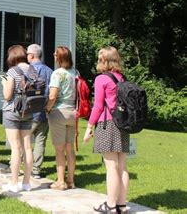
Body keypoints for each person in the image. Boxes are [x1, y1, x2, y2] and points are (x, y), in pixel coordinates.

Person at [83, 47, 129, 214]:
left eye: (99, 58)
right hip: (123, 124)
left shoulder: (102, 79)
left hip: (107, 123)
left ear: (104, 60)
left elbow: (97, 106)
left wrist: (89, 127)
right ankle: (121, 206)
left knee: (111, 166)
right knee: (122, 166)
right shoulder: (122, 78)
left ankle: (110, 205)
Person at [0, 45, 34, 193]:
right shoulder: (33, 70)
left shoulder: (13, 71)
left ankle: (14, 183)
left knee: (15, 147)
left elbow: (7, 95)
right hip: (28, 110)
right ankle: (26, 183)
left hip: (13, 110)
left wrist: (4, 84)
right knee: (27, 147)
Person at [46, 46, 77, 190]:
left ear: (60, 58)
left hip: (59, 112)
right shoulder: (75, 72)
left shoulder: (57, 74)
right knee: (70, 149)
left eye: (55, 54)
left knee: (59, 150)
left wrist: (47, 108)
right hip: (73, 112)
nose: (53, 55)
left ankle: (60, 181)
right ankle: (71, 180)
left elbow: (52, 95)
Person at [26, 44, 53, 179]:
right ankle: (36, 170)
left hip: (30, 111)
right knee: (40, 140)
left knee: (22, 139)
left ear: (32, 55)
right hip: (45, 110)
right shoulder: (50, 71)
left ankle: (15, 164)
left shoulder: (29, 70)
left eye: (27, 54)